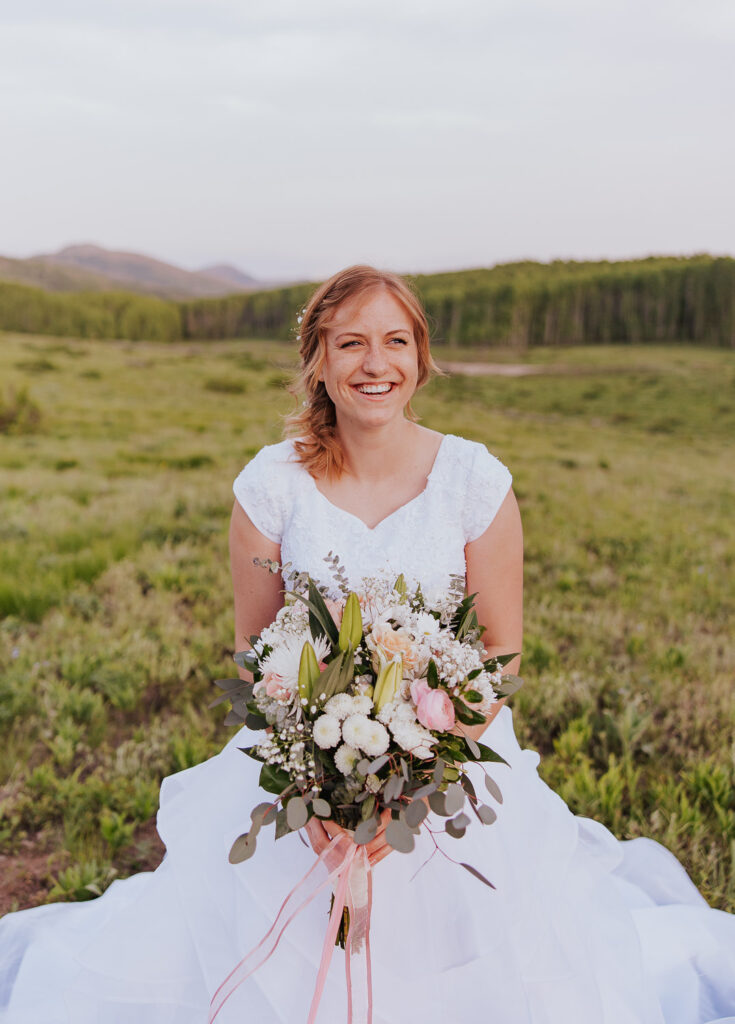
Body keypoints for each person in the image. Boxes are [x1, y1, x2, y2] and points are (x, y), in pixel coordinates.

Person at [1, 265, 734, 1023]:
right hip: (303, 763)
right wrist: (312, 790)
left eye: (394, 341)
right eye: (349, 342)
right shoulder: (271, 486)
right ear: (318, 359)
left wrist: (416, 783)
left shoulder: (473, 481)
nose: (374, 364)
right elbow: (255, 654)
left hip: (452, 759)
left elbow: (500, 650)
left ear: (420, 357)